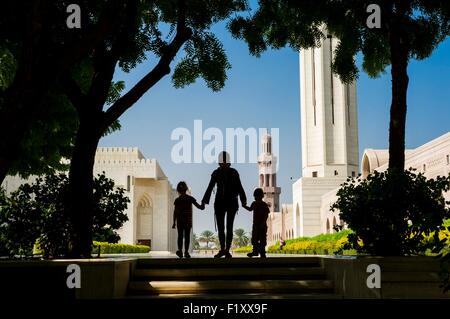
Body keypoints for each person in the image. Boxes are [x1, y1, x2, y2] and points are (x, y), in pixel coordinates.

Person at [202, 151, 247, 258]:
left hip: (231, 203)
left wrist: (243, 201)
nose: (224, 164)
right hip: (220, 203)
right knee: (221, 228)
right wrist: (204, 201)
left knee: (229, 227)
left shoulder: (233, 173)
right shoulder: (217, 173)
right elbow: (210, 187)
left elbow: (240, 187)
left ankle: (226, 249)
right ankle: (223, 249)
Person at [172, 181, 204, 258]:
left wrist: (174, 222)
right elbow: (200, 207)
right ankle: (186, 252)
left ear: (178, 190)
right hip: (188, 221)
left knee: (180, 236)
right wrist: (203, 203)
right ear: (186, 189)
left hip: (180, 221)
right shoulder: (190, 198)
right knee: (187, 237)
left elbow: (175, 212)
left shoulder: (177, 200)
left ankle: (180, 251)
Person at [243, 188, 270, 258]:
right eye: (255, 196)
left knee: (262, 239)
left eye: (257, 196)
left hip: (262, 225)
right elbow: (250, 209)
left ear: (261, 196)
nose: (256, 198)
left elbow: (266, 214)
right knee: (255, 239)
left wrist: (263, 223)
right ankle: (255, 251)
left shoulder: (264, 204)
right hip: (255, 225)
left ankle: (262, 252)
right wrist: (244, 206)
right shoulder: (254, 203)